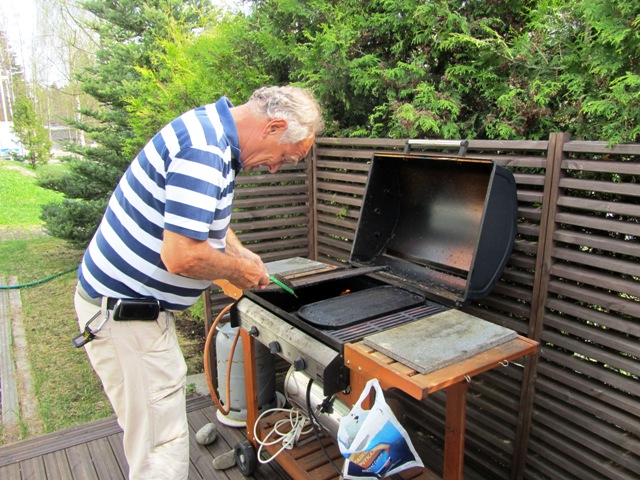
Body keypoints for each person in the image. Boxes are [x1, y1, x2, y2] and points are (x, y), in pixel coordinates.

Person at [73, 86, 324, 479]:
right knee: (160, 448)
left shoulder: (211, 132)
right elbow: (181, 256)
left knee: (153, 434)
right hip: (126, 318)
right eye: (285, 157)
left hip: (128, 313)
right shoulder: (205, 150)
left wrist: (238, 252)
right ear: (274, 127)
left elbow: (199, 218)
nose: (277, 168)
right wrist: (237, 272)